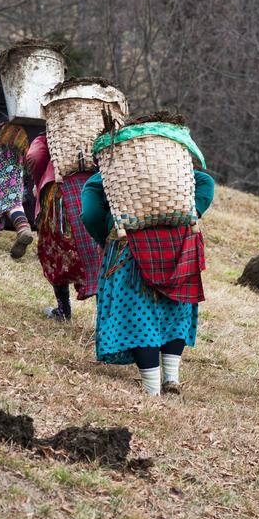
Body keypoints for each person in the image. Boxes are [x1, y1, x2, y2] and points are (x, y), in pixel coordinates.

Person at [80, 119, 213, 396]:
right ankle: (172, 377)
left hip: (130, 246)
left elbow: (90, 214)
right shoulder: (174, 169)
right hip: (178, 242)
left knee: (139, 316)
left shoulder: (106, 176)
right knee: (174, 308)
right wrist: (190, 213)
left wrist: (103, 237)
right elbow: (206, 182)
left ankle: (152, 389)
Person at [25, 133, 102, 321]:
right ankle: (105, 315)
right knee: (101, 251)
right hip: (97, 189)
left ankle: (63, 309)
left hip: (60, 191)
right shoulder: (100, 130)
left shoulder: (55, 129)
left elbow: (35, 156)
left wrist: (38, 182)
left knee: (55, 250)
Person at [0, 52, 40, 259]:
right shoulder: (26, 83)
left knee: (8, 186)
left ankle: (22, 228)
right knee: (35, 188)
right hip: (39, 140)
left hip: (11, 138)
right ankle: (45, 235)